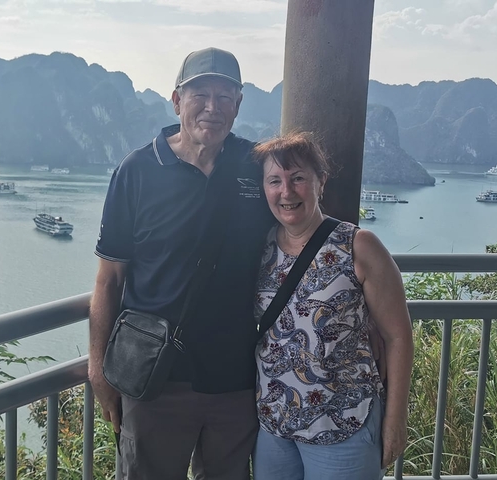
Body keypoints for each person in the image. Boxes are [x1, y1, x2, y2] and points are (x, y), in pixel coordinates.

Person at [88, 47, 275, 479]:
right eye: (200, 95)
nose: (212, 108)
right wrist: (100, 370)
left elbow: (303, 222)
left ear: (238, 105)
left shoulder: (257, 167)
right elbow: (109, 280)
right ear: (176, 100)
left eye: (225, 97)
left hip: (236, 377)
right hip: (156, 379)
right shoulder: (137, 170)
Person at [249, 132, 414, 480]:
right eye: (275, 181)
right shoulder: (260, 247)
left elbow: (398, 336)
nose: (287, 192)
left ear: (320, 182)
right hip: (274, 426)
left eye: (298, 179)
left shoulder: (358, 246)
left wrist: (395, 419)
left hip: (344, 425)